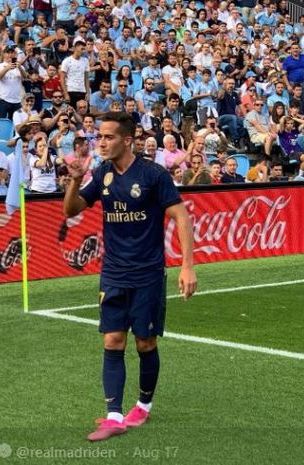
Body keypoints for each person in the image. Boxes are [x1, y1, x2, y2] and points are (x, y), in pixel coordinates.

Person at [63, 111, 197, 442]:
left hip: (148, 273)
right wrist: (75, 179)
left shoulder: (153, 175)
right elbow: (71, 209)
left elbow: (181, 216)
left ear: (126, 139)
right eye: (99, 138)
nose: (101, 143)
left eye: (107, 137)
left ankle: (143, 405)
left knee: (144, 342)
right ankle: (113, 415)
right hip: (113, 272)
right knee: (113, 340)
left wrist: (187, 266)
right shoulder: (103, 173)